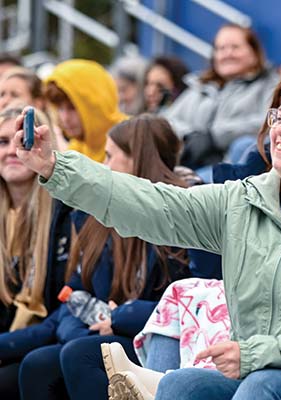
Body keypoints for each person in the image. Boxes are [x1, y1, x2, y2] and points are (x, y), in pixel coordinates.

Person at [16, 73, 281, 399]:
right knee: (182, 385)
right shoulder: (242, 201)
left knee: (262, 386)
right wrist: (55, 166)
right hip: (252, 369)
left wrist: (253, 355)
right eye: (279, 116)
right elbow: (152, 204)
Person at [2, 114, 190, 400]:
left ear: (138, 161)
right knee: (39, 364)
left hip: (154, 337)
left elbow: (188, 304)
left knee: (82, 355)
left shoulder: (184, 217)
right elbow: (73, 295)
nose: (104, 165)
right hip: (101, 332)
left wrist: (119, 317)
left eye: (110, 156)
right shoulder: (96, 219)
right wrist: (92, 326)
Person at [0, 106, 71, 399]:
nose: (11, 151)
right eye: (2, 142)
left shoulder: (66, 210)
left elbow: (67, 307)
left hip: (47, 341)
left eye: (22, 140)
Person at [163, 24, 279, 168]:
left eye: (235, 47)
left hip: (233, 167)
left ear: (255, 53)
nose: (227, 54)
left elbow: (270, 122)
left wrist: (215, 137)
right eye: (221, 49)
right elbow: (166, 121)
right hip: (189, 163)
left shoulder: (270, 85)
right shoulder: (200, 86)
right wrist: (190, 136)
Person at [44, 59, 128, 162]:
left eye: (72, 108)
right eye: (60, 108)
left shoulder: (130, 139)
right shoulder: (76, 148)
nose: (65, 118)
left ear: (96, 104)